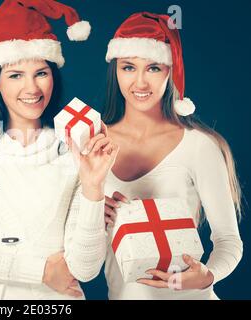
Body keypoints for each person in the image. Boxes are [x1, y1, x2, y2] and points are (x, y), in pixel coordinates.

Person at [0, 0, 118, 300]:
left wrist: (93, 187)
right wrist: (41, 272)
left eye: (41, 73)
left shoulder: (76, 149)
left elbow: (85, 269)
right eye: (16, 75)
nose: (32, 88)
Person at [101, 12, 243, 299]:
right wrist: (90, 216)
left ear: (171, 71)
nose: (140, 82)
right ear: (115, 70)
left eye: (154, 68)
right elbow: (79, 252)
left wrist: (207, 276)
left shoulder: (199, 146)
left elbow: (229, 241)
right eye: (128, 67)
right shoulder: (93, 145)